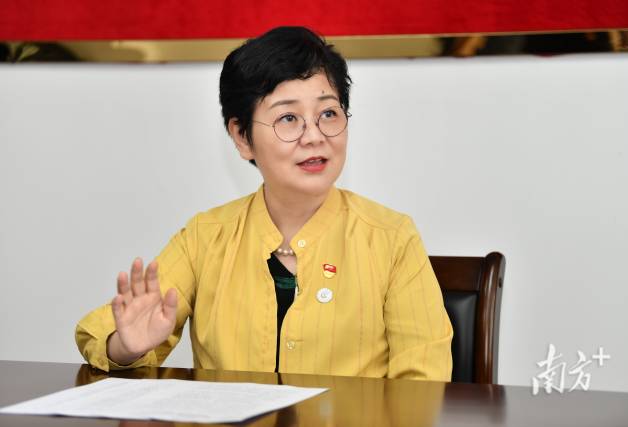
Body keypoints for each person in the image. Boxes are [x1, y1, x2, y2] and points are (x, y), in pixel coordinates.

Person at [76, 26, 453, 381]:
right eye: (288, 118)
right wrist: (126, 347)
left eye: (328, 113)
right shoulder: (206, 237)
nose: (314, 136)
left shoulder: (391, 238)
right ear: (242, 137)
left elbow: (424, 383)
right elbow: (99, 332)